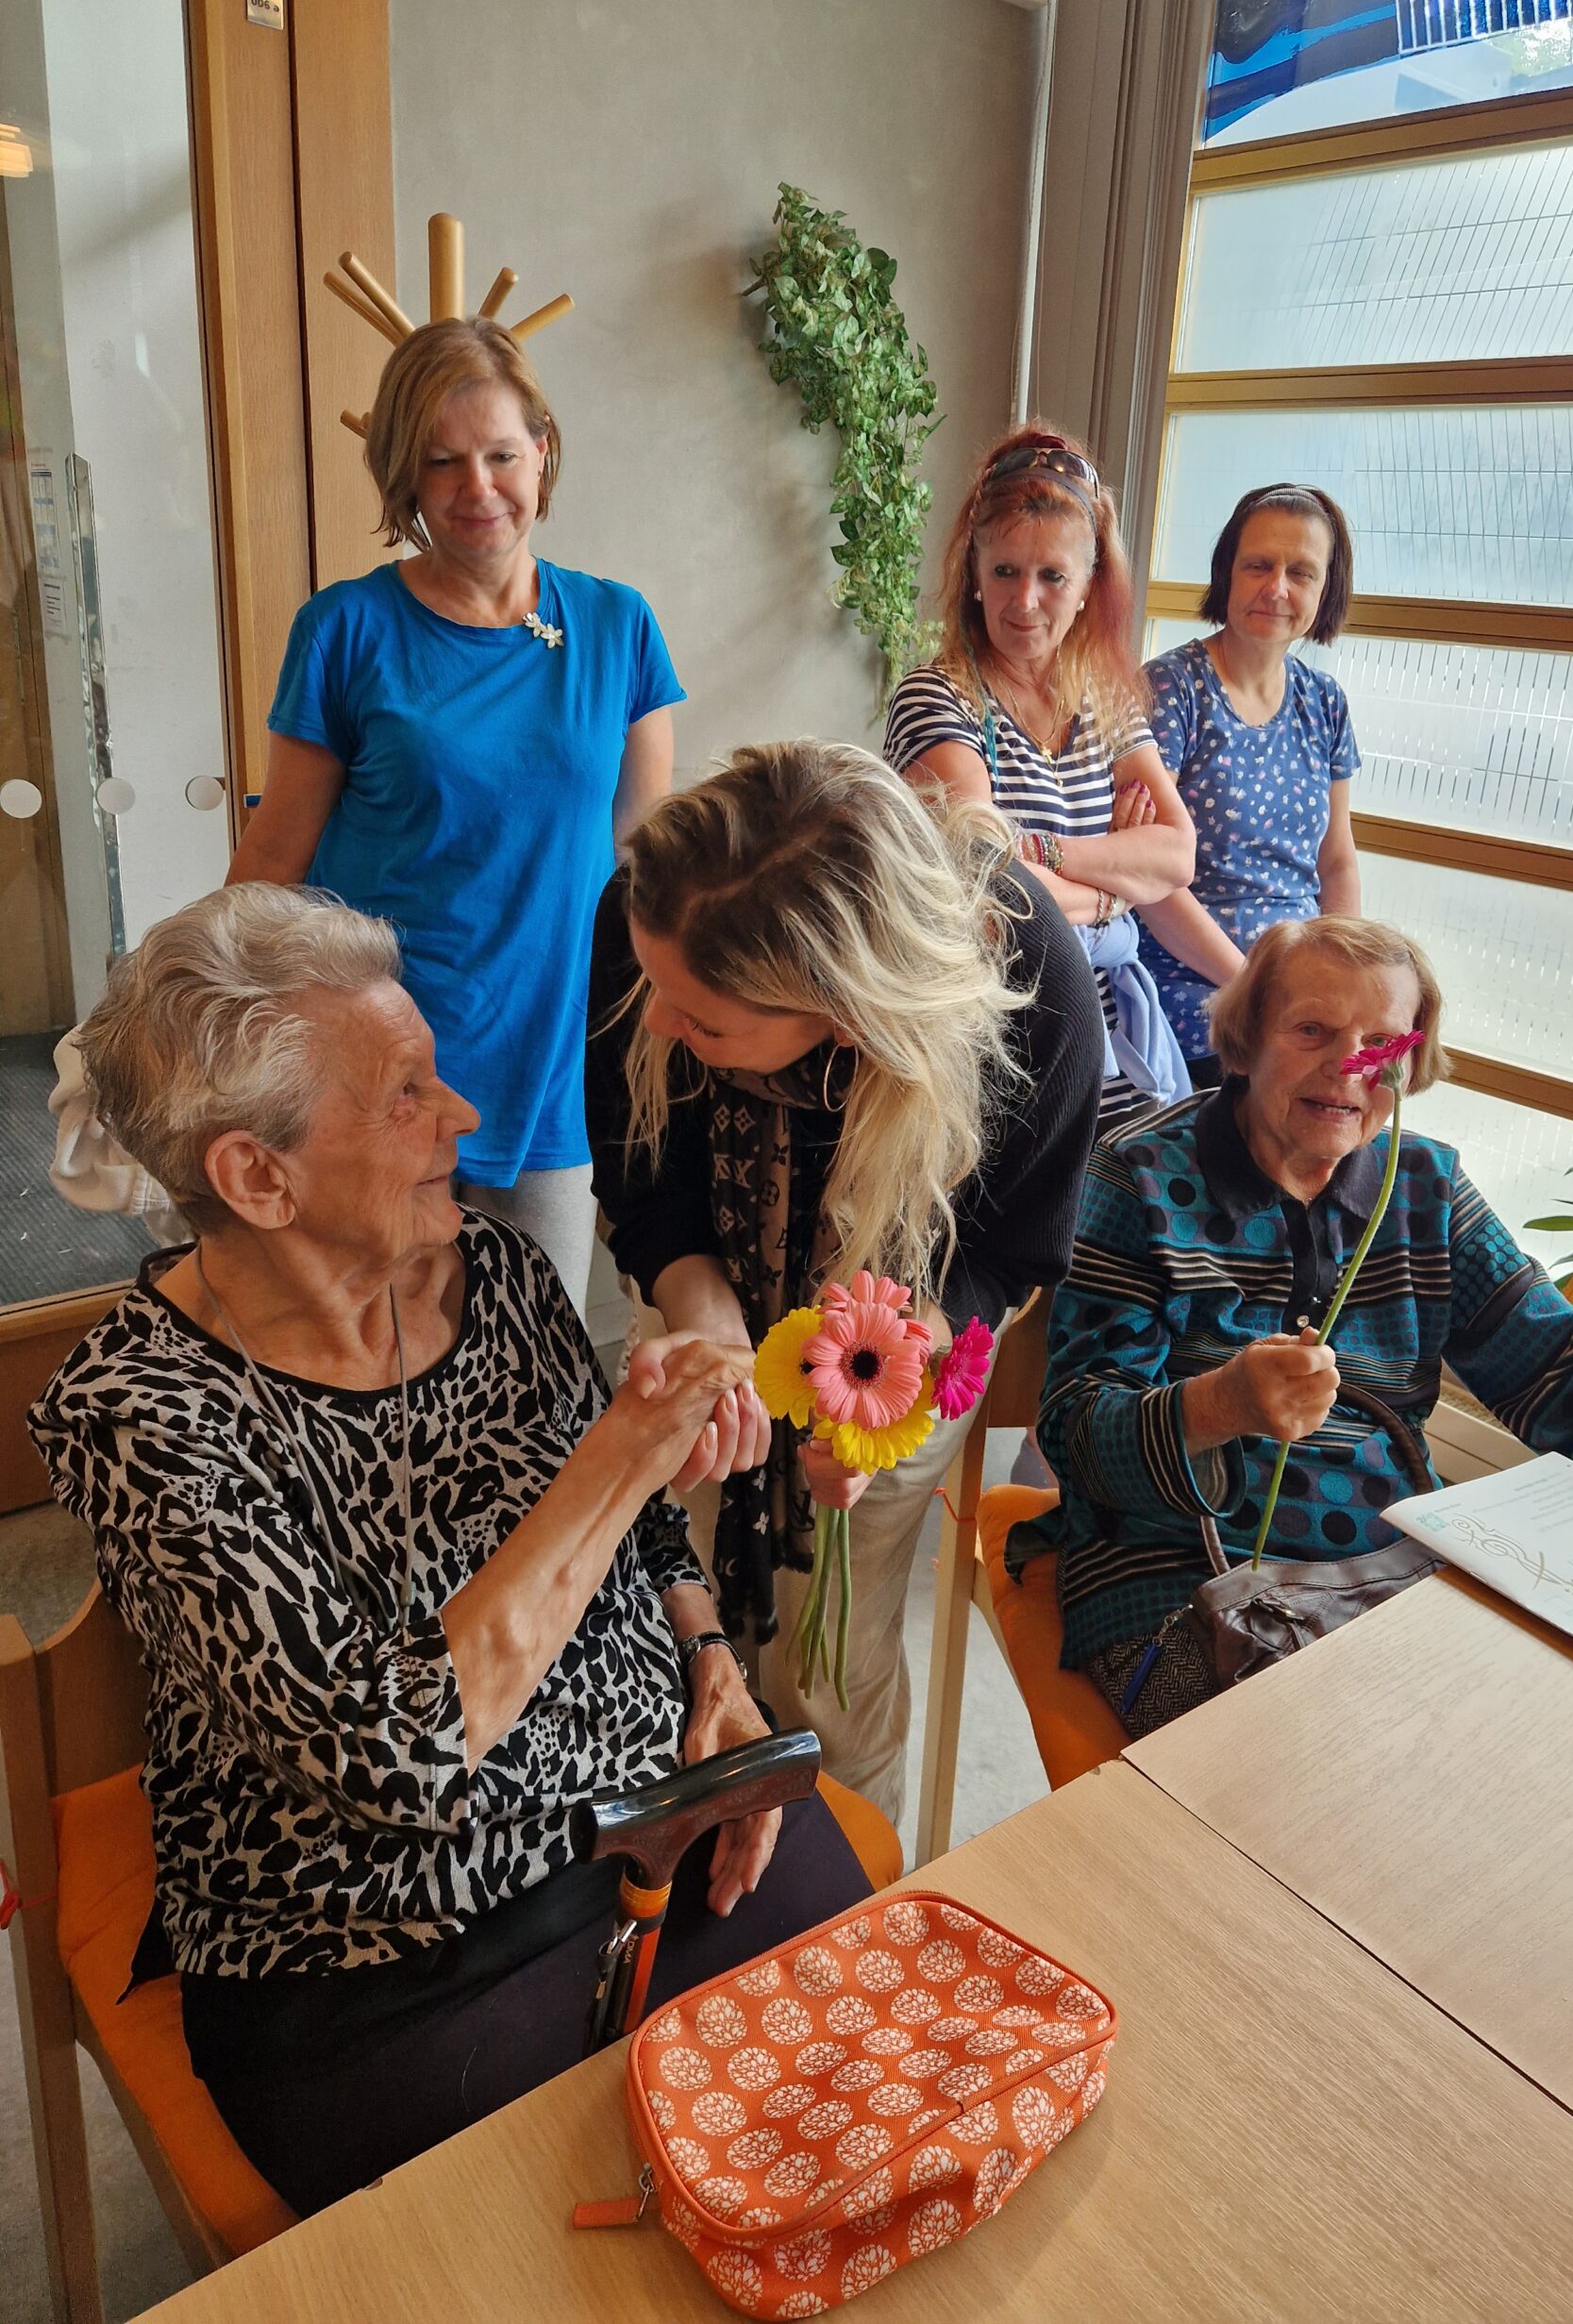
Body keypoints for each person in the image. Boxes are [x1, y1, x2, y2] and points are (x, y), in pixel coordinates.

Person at [29, 885, 875, 2219]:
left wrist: (711, 1662)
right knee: (564, 2247)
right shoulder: (138, 1413)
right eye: (405, 1097)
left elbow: (648, 1529)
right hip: (386, 1955)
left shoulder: (499, 1270)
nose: (464, 1116)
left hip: (664, 1815)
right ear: (257, 1176)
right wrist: (620, 1453)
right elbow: (395, 1757)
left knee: (857, 2115)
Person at [1024, 915, 1573, 1737]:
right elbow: (1075, 1432)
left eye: (1381, 1043)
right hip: (1180, 1578)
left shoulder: (1426, 1188)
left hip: (1398, 1562)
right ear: (1248, 1039)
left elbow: (1570, 1365)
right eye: (1312, 1030)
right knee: (1339, 1771)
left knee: (1571, 1737)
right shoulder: (1138, 1176)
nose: (1348, 1068)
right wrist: (1220, 1404)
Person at [587, 741, 1103, 1823]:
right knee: (679, 1618)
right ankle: (686, 1861)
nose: (659, 1024)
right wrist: (710, 1328)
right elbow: (645, 1182)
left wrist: (891, 1373)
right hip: (703, 1287)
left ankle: (848, 1887)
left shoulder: (1031, 982)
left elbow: (1009, 1248)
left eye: (705, 1022)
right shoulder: (655, 909)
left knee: (834, 1663)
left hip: (904, 1337)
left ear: (849, 1011)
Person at [226, 317, 681, 1311]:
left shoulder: (620, 628)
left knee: (537, 1354)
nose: (478, 487)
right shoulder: (345, 629)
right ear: (405, 476)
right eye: (442, 462)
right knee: (372, 1357)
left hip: (551, 1065)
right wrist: (197, 1015)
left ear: (542, 453)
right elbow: (275, 853)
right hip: (370, 1068)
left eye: (501, 455)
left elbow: (649, 867)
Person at [884, 424, 1196, 1125]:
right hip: (1002, 1051)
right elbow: (990, 891)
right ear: (974, 572)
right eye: (1005, 572)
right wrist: (1117, 889)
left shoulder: (1106, 699)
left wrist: (1045, 854)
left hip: (1114, 1051)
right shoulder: (938, 697)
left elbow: (1177, 855)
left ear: (1088, 586)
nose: (1024, 601)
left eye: (1052, 576)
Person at [1138, 483, 1362, 1087]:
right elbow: (1147, 878)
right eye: (1258, 565)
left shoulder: (1326, 702)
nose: (1277, 588)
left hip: (1297, 993)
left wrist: (1342, 978)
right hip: (1195, 997)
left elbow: (1336, 861)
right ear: (1227, 573)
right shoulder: (1170, 690)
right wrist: (1254, 989)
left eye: (1301, 572)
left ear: (1326, 589)